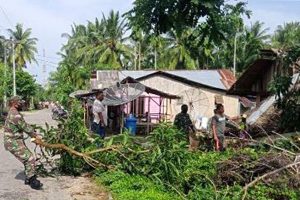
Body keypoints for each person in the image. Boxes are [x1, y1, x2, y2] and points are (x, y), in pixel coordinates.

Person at [3, 96, 43, 190]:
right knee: (29, 158)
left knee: (27, 158)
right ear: (14, 103)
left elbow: (24, 126)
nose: (22, 104)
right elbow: (25, 127)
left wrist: (34, 133)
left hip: (15, 141)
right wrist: (36, 135)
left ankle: (29, 178)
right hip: (12, 142)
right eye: (20, 102)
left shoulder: (14, 112)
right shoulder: (15, 114)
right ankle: (32, 181)